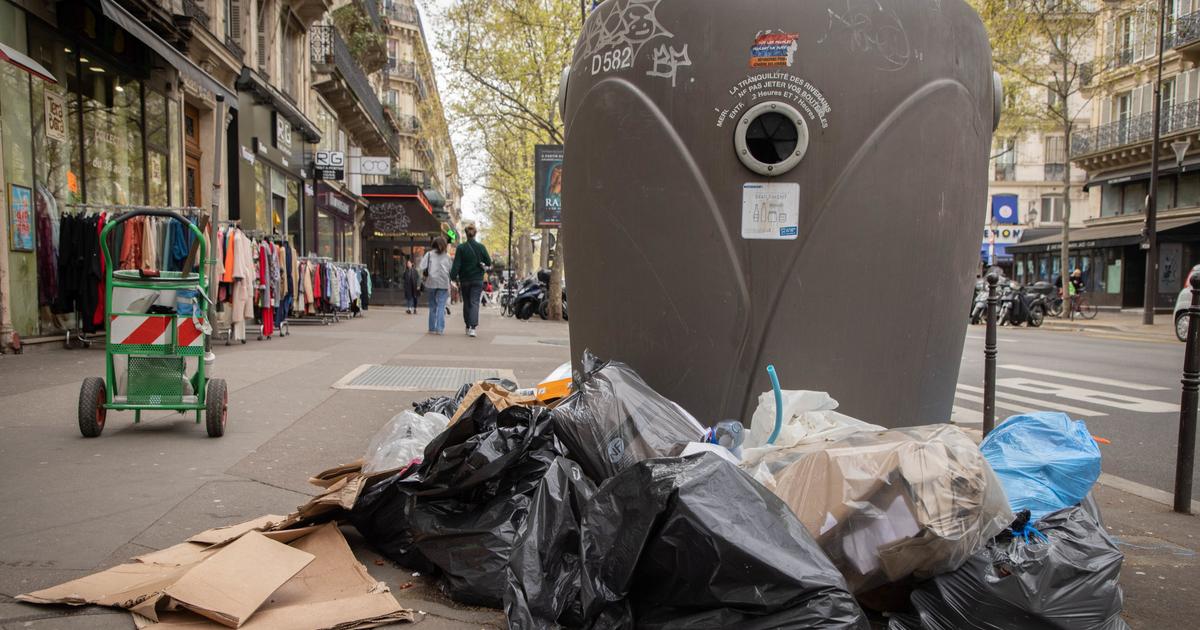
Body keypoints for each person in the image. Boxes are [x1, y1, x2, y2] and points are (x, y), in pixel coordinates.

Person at [450, 222, 492, 337]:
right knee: (474, 302)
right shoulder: (481, 247)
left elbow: (456, 264)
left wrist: (453, 277)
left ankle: (468, 325)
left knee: (467, 302)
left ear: (466, 234)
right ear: (475, 234)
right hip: (477, 279)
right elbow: (488, 262)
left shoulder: (461, 248)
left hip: (465, 280)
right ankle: (473, 328)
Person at [418, 237, 452, 334]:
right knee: (441, 306)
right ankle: (440, 329)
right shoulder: (447, 256)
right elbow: (451, 270)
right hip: (443, 283)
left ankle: (431, 328)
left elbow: (422, 266)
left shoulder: (429, 254)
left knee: (432, 306)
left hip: (431, 282)